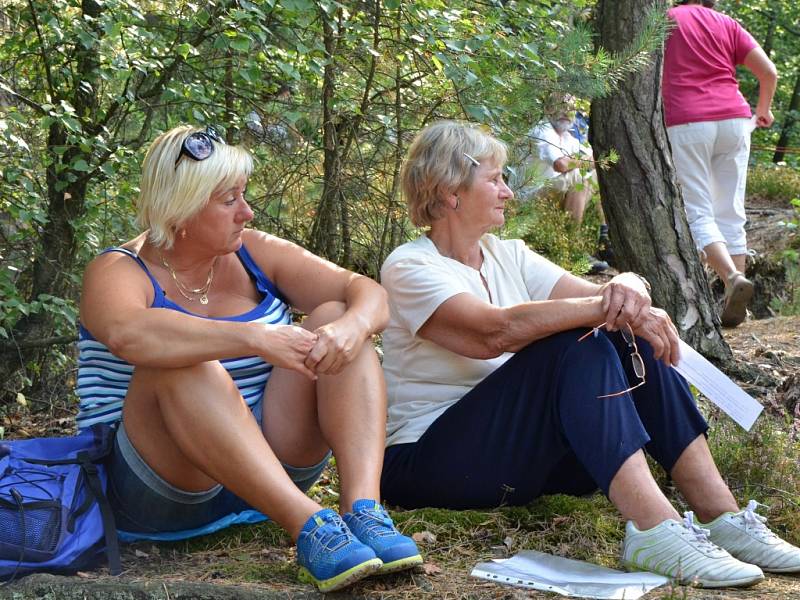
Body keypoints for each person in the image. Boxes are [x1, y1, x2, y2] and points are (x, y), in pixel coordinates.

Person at [379, 121, 800, 588]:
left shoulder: (507, 254)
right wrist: (608, 303)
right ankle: (655, 530)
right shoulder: (409, 265)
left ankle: (722, 517)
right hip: (432, 459)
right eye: (495, 179)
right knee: (577, 341)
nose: (508, 192)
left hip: (516, 454)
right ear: (450, 192)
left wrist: (629, 287)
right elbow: (492, 334)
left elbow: (601, 296)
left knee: (625, 333)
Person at [76, 125, 421, 592]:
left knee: (336, 314)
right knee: (180, 358)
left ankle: (364, 512)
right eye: (229, 200)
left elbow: (366, 292)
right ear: (183, 207)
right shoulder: (117, 269)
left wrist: (352, 328)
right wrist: (254, 337)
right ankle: (309, 528)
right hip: (161, 488)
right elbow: (127, 334)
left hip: (273, 469)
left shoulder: (254, 252)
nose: (247, 211)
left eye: (244, 195)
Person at [663, 0, 778, 327]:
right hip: (735, 119)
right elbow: (769, 72)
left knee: (696, 209)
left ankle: (731, 278)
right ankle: (734, 297)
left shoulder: (666, 20)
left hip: (687, 121)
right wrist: (764, 111)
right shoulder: (726, 23)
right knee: (730, 210)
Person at [525, 100, 610, 272]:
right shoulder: (542, 129)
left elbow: (597, 161)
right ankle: (573, 248)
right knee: (581, 178)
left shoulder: (569, 138)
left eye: (571, 108)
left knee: (595, 175)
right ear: (548, 108)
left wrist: (585, 162)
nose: (566, 111)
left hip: (552, 198)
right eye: (561, 105)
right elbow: (561, 164)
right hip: (529, 200)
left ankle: (605, 236)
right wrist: (584, 162)